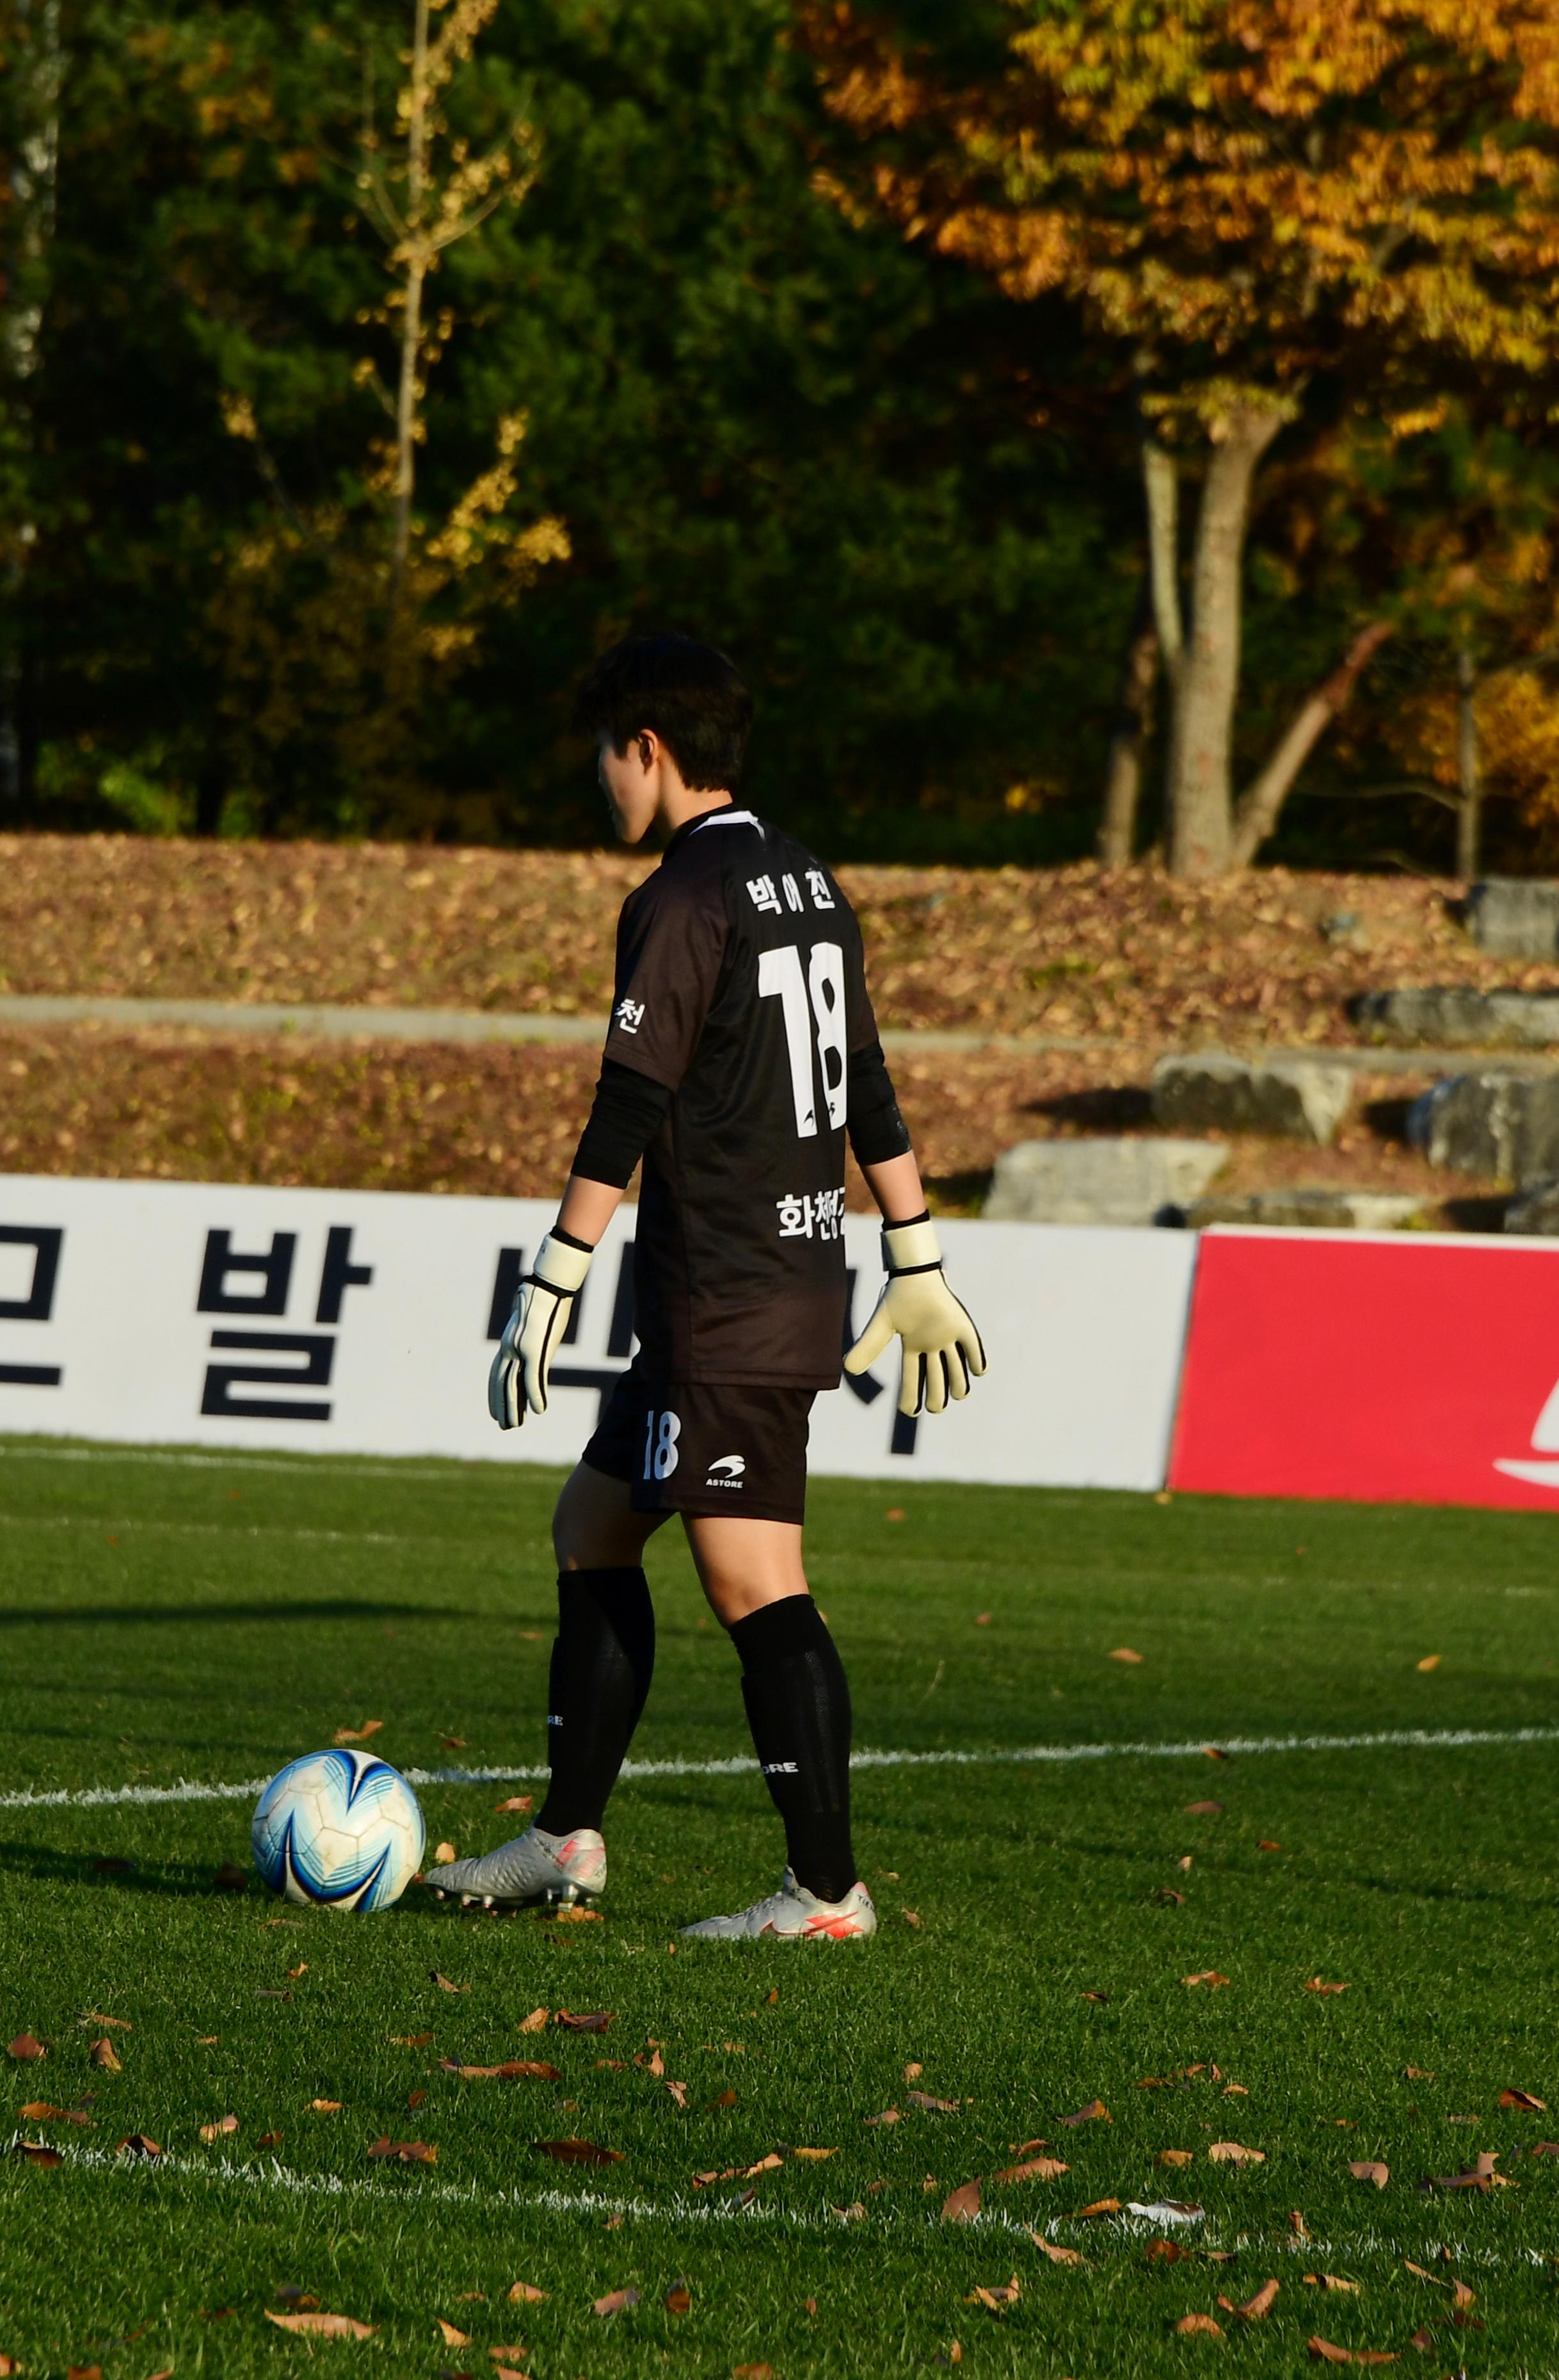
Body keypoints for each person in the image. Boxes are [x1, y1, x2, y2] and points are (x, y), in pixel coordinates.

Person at [419, 634, 987, 1941]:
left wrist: (554, 1271)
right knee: (593, 1528)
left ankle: (829, 1890)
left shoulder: (680, 897)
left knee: (754, 1579)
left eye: (605, 758)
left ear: (650, 750)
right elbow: (873, 1083)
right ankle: (567, 1838)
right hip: (757, 1284)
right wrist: (915, 1251)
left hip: (727, 1296)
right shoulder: (807, 881)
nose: (600, 784)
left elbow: (631, 1097)